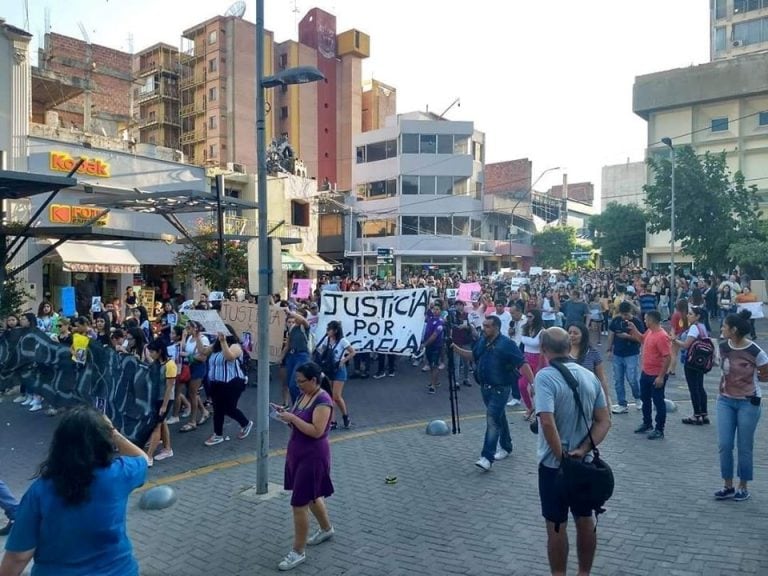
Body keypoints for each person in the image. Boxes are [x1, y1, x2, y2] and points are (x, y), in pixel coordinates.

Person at [0, 407, 148, 576]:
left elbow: (19, 555)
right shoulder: (119, 474)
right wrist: (113, 432)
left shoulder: (39, 491)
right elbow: (142, 459)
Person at [534, 327, 611, 576]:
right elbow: (604, 420)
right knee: (585, 519)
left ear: (544, 350)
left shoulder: (545, 377)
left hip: (554, 465)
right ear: (569, 347)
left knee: (556, 525)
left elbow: (546, 421)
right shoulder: (589, 377)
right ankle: (584, 573)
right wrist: (583, 449)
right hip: (584, 463)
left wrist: (562, 457)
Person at [452, 315, 534, 471]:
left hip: (500, 388)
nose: (484, 328)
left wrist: (533, 383)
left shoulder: (507, 344)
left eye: (487, 326)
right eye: (483, 325)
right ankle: (506, 446)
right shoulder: (482, 341)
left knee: (492, 420)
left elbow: (522, 363)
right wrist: (456, 348)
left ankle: (487, 457)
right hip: (485, 387)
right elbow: (472, 355)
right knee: (498, 416)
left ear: (496, 327)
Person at [274, 362, 335, 571]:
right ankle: (326, 529)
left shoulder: (323, 400)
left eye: (301, 381)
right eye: (296, 381)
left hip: (313, 455)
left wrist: (292, 417)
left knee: (299, 502)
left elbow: (316, 430)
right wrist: (285, 415)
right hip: (297, 452)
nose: (298, 385)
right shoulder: (302, 396)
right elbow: (297, 421)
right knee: (311, 496)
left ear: (314, 380)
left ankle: (298, 551)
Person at [714, 310, 767, 502]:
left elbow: (765, 374)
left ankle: (743, 486)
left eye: (725, 326)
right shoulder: (722, 347)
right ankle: (727, 485)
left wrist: (746, 380)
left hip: (748, 402)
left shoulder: (755, 351)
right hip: (725, 400)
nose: (722, 328)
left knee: (744, 446)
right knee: (724, 444)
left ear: (734, 330)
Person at [202, 326, 252, 447]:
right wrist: (197, 336)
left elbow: (229, 357)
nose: (217, 335)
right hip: (216, 382)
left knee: (228, 408)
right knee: (218, 409)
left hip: (232, 382)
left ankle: (245, 423)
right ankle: (218, 434)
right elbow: (203, 352)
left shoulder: (235, 346)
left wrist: (223, 341)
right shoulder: (215, 347)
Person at [629, 310, 671, 440]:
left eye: (646, 319)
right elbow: (642, 339)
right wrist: (634, 329)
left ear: (652, 320)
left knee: (658, 402)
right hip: (646, 372)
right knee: (645, 399)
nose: (644, 321)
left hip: (656, 375)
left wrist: (661, 376)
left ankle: (659, 429)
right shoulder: (650, 332)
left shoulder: (662, 336)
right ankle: (647, 423)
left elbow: (667, 357)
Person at [673, 306, 711, 425]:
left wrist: (674, 340)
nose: (688, 316)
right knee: (700, 387)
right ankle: (703, 413)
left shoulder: (694, 327)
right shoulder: (703, 327)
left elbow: (686, 345)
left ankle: (696, 415)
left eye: (690, 314)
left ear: (697, 316)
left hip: (692, 360)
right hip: (701, 360)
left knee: (693, 388)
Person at [314, 321, 356, 430]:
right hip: (329, 369)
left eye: (329, 329)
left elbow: (352, 352)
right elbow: (322, 350)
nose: (327, 331)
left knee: (336, 396)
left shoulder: (342, 341)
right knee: (330, 396)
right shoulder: (327, 340)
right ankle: (332, 421)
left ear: (335, 331)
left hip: (339, 370)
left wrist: (343, 360)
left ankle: (345, 416)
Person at [606, 301, 644, 414]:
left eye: (626, 314)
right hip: (618, 353)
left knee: (632, 378)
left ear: (630, 312)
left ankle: (638, 398)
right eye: (622, 314)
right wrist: (609, 349)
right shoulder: (616, 320)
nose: (624, 317)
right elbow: (611, 334)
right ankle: (622, 403)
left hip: (631, 353)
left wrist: (627, 336)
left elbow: (641, 339)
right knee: (618, 379)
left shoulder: (636, 322)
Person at [144, 340, 177, 465]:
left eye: (152, 352)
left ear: (159, 351)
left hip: (165, 399)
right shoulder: (157, 363)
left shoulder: (170, 365)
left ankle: (149, 456)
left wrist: (164, 405)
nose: (151, 354)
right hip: (157, 398)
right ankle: (167, 449)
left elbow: (169, 387)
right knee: (162, 423)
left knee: (156, 426)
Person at [567, 321, 612, 408]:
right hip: (568, 398)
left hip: (590, 397)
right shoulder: (563, 353)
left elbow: (601, 378)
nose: (572, 335)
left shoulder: (593, 353)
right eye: (569, 333)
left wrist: (606, 399)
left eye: (575, 333)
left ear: (583, 335)